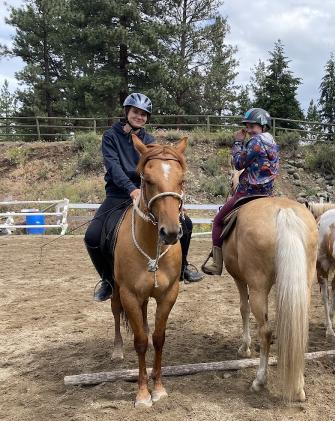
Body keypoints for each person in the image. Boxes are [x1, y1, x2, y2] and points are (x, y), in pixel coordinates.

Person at [84, 93, 202, 302]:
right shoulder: (110, 136)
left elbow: (156, 170)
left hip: (146, 194)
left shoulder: (149, 141)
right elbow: (113, 167)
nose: (139, 117)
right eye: (136, 112)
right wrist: (131, 188)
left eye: (143, 114)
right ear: (127, 112)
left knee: (187, 224)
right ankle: (107, 280)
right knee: (92, 236)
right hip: (118, 194)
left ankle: (183, 268)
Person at [202, 107, 279, 275]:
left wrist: (238, 142)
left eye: (253, 126)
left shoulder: (255, 141)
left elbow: (238, 163)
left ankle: (216, 263)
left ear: (263, 126)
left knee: (217, 221)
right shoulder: (273, 143)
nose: (250, 130)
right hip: (268, 192)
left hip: (249, 192)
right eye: (248, 126)